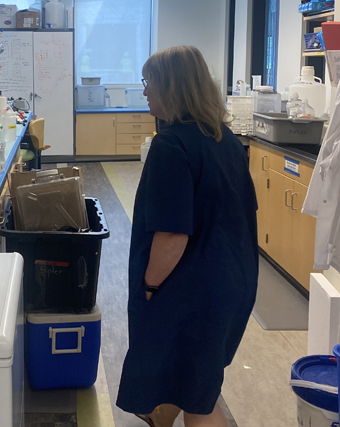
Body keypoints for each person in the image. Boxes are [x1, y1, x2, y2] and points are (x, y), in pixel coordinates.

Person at [116, 46, 259, 427]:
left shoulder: (170, 145)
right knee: (194, 379)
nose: (144, 91)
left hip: (191, 292)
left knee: (199, 399)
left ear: (172, 87)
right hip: (233, 281)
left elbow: (172, 236)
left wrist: (149, 286)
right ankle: (160, 413)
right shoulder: (224, 139)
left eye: (150, 83)